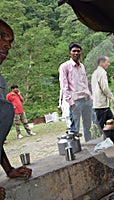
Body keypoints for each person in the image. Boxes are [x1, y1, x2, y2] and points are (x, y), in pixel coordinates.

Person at [0, 19, 32, 200]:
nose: (7, 45)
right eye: (1, 36)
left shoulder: (1, 82)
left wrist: (9, 170)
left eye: (10, 41)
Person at [59, 42, 92, 142]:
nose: (76, 53)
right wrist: (70, 102)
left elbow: (85, 83)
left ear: (81, 53)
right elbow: (64, 86)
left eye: (78, 51)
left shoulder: (82, 66)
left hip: (86, 100)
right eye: (74, 51)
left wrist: (90, 96)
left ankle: (89, 145)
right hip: (75, 101)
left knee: (88, 126)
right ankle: (76, 151)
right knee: (75, 129)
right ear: (70, 53)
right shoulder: (65, 66)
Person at [91, 56, 114, 129]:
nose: (108, 64)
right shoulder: (102, 72)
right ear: (101, 62)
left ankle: (111, 138)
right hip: (101, 105)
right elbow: (105, 88)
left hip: (99, 104)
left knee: (111, 122)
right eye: (107, 62)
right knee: (102, 126)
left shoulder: (95, 73)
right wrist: (113, 98)